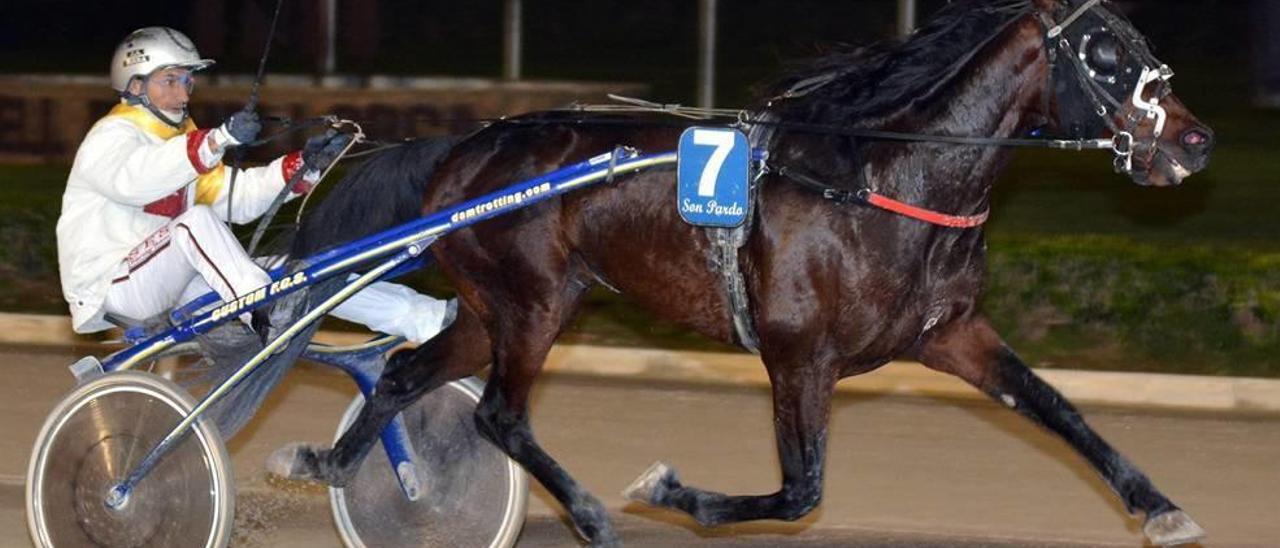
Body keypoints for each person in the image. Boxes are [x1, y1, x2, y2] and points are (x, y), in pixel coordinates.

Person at [56, 26, 451, 344]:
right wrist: (218, 140)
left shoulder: (179, 142)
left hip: (177, 283)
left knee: (304, 270)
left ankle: (425, 318)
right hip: (113, 288)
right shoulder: (110, 136)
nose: (182, 93)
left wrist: (301, 168)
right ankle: (263, 308)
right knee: (194, 223)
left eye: (188, 81)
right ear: (136, 86)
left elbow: (235, 200)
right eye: (170, 81)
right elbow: (137, 181)